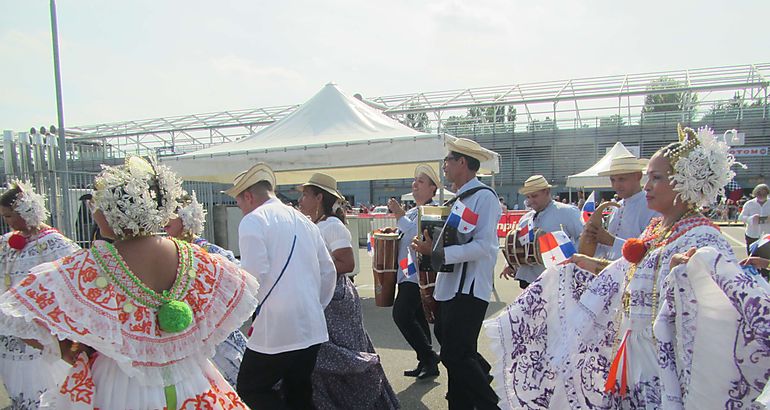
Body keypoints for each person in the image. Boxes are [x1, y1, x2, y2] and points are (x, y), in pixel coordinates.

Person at [485, 125, 770, 408]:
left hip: (666, 363)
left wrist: (691, 275)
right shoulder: (657, 228)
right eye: (648, 178)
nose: (647, 187)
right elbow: (627, 270)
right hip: (633, 352)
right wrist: (590, 263)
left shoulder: (703, 237)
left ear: (686, 182)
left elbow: (720, 310)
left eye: (656, 178)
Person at [0, 157, 259, 409]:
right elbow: (238, 286)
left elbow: (17, 315)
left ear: (112, 210)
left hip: (118, 384)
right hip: (190, 379)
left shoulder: (89, 265)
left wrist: (67, 349)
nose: (94, 212)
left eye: (96, 205)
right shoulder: (194, 257)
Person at [229, 162, 337, 410]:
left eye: (240, 202)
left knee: (251, 388)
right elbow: (328, 270)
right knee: (299, 390)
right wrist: (314, 305)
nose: (241, 209)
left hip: (277, 324)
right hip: (311, 323)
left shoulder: (253, 220)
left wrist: (241, 313)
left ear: (248, 196)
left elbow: (252, 275)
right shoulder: (305, 221)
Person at [412, 137, 501, 409]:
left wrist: (437, 253)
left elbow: (484, 245)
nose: (444, 166)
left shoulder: (484, 198)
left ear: (462, 162)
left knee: (455, 355)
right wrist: (431, 248)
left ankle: (490, 403)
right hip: (451, 286)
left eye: (448, 160)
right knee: (456, 350)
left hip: (470, 288)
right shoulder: (458, 199)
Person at [298, 172, 399, 409]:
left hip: (336, 299)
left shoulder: (332, 225)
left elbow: (347, 264)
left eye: (305, 195)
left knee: (340, 353)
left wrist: (312, 265)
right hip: (324, 296)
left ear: (319, 197)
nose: (301, 200)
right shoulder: (318, 224)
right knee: (325, 356)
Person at [0, 180, 79, 409]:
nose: (7, 222)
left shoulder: (55, 244)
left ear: (26, 212)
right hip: (10, 331)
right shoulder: (6, 243)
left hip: (41, 331)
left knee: (45, 383)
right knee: (16, 385)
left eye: (8, 216)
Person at [164, 191, 247, 388]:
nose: (165, 219)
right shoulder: (166, 250)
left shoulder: (208, 251)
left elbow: (237, 279)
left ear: (185, 216)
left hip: (211, 329)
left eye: (172, 212)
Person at [387, 164, 441, 380]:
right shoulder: (412, 211)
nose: (415, 184)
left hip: (417, 273)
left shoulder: (434, 211)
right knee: (416, 316)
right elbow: (406, 233)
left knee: (401, 314)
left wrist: (400, 217)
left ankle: (429, 356)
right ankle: (427, 362)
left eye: (421, 181)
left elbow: (420, 235)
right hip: (406, 271)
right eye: (415, 180)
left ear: (432, 189)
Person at [500, 174, 583, 289]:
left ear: (547, 192)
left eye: (534, 196)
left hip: (556, 279)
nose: (530, 201)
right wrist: (509, 263)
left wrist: (571, 257)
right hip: (527, 279)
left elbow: (583, 238)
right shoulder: (525, 219)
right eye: (528, 197)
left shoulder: (567, 212)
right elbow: (517, 244)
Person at [588, 155, 659, 260]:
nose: (616, 185)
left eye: (622, 179)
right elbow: (606, 249)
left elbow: (652, 249)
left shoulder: (651, 205)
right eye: (613, 180)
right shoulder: (617, 207)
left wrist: (611, 240)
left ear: (638, 176)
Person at [739, 183, 770, 253]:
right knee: (752, 259)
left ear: (767, 193)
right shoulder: (749, 204)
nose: (762, 195)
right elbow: (741, 217)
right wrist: (751, 219)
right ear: (755, 193)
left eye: (764, 193)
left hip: (767, 236)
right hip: (752, 235)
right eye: (759, 193)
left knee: (766, 260)